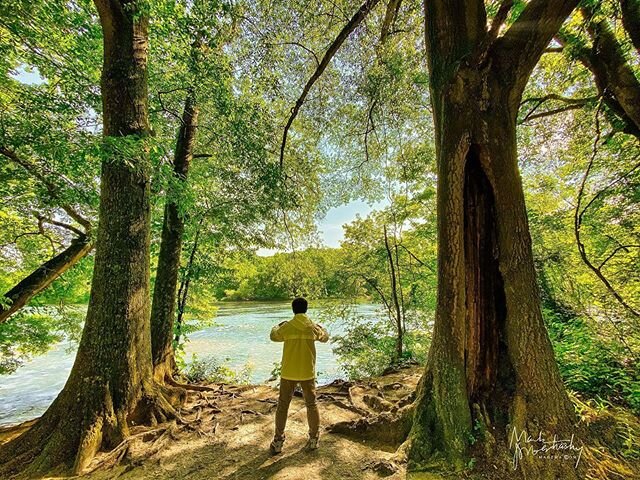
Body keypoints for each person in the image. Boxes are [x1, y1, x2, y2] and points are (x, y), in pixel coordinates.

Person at [269, 297, 329, 454]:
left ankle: (278, 441)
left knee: (283, 405)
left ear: (293, 310)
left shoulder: (287, 327)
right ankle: (314, 438)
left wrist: (278, 325)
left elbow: (273, 336)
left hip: (288, 372)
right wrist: (322, 328)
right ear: (306, 309)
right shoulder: (312, 328)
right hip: (307, 373)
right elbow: (325, 338)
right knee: (311, 404)